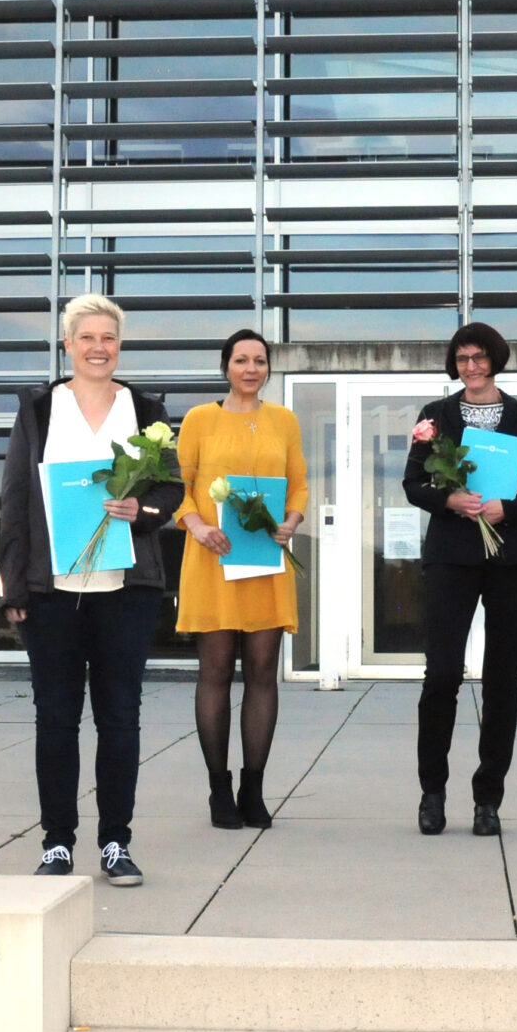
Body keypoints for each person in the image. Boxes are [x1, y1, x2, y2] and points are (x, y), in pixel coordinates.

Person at [0, 294, 185, 886]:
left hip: (127, 590)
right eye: (87, 338)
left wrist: (145, 509)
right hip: (51, 591)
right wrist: (13, 586)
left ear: (119, 344)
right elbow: (15, 503)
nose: (98, 347)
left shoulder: (147, 410)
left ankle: (115, 843)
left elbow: (172, 490)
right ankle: (56, 842)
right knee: (56, 719)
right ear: (67, 345)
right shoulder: (38, 410)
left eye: (109, 337)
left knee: (120, 719)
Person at [402, 321, 517, 838]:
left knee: (502, 680)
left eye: (480, 357)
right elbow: (413, 482)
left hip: (512, 558)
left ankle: (488, 798)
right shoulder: (435, 417)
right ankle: (432, 792)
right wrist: (447, 498)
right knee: (442, 673)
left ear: (496, 359)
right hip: (451, 555)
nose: (471, 366)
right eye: (463, 358)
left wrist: (505, 509)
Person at [174, 329, 307, 830]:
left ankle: (254, 786)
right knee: (213, 673)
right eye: (241, 360)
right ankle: (218, 789)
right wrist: (199, 526)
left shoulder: (284, 421)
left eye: (259, 360)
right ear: (225, 366)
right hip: (213, 560)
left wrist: (293, 520)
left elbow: (298, 483)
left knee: (262, 671)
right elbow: (177, 488)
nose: (251, 369)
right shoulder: (199, 420)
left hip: (266, 562)